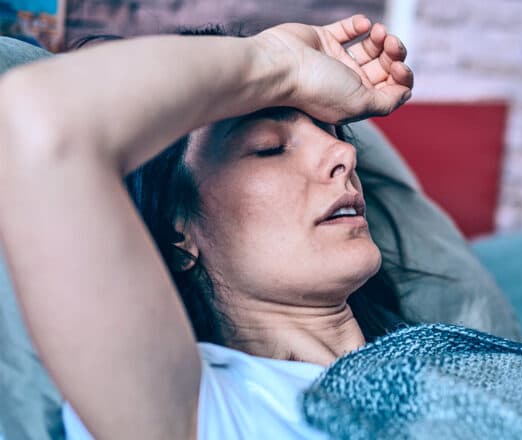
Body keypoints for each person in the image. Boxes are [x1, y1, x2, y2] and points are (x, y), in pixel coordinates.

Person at [0, 15, 413, 439]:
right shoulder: (192, 410)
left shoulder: (438, 356)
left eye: (330, 131)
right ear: (178, 232)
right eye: (269, 149)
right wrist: (280, 60)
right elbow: (36, 116)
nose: (342, 151)